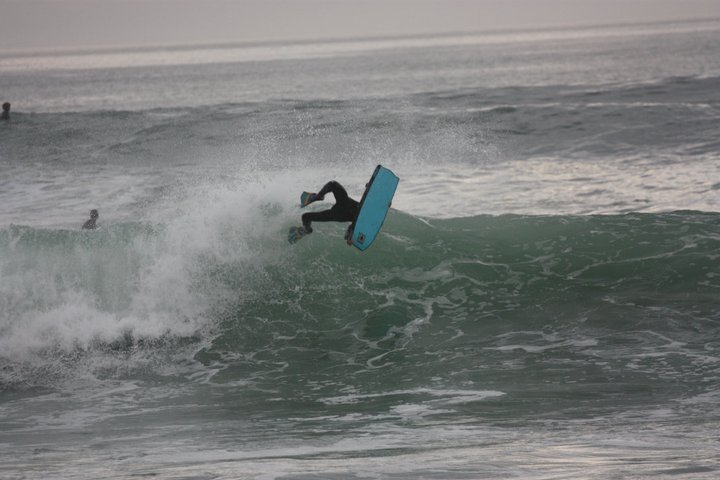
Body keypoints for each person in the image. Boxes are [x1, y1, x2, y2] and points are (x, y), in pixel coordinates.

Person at [290, 181, 359, 243]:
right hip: (344, 205)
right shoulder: (366, 207)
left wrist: (349, 235)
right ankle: (318, 196)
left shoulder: (363, 218)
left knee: (305, 216)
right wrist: (349, 235)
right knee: (332, 185)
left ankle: (307, 229)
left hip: (339, 214)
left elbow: (356, 224)